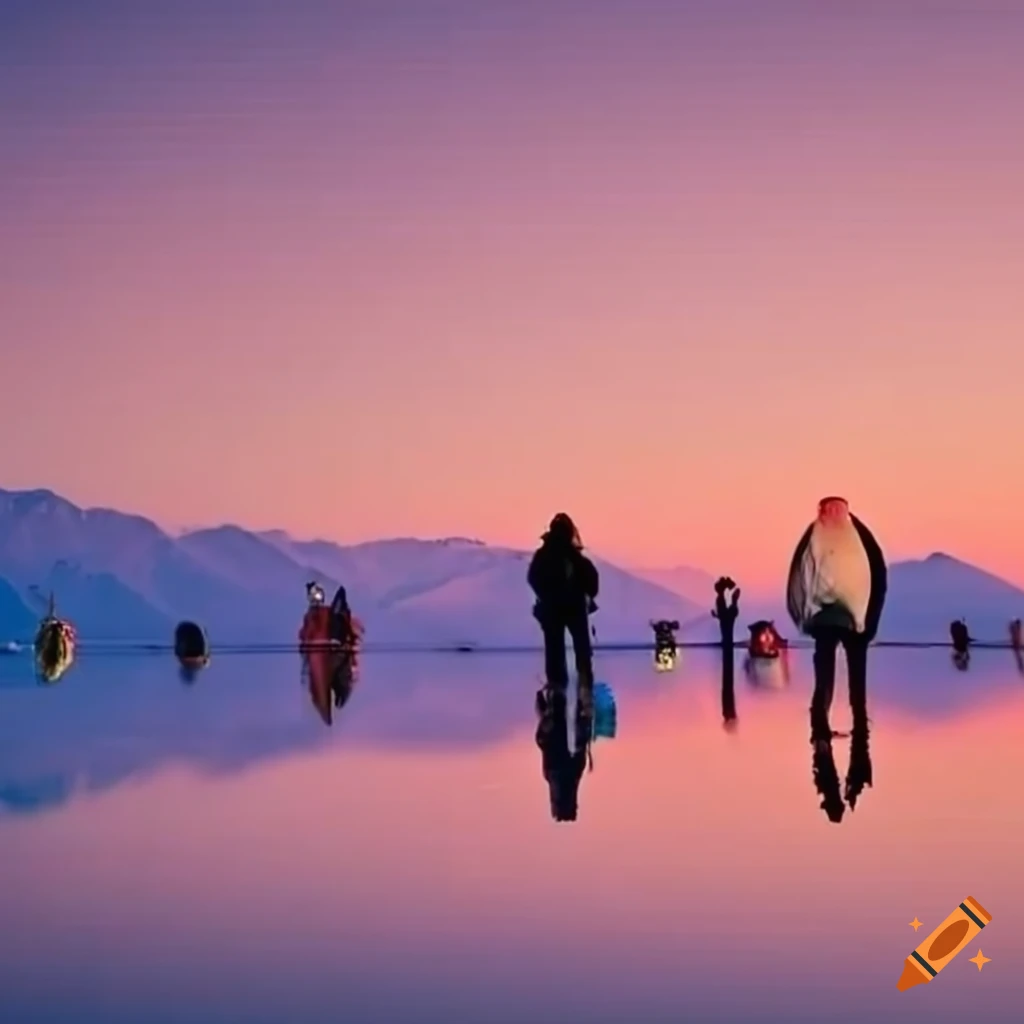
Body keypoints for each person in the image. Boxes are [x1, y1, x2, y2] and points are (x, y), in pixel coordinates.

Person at [786, 496, 886, 730]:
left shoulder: (852, 537)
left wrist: (869, 620)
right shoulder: (824, 536)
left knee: (833, 679)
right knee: (834, 680)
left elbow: (876, 571)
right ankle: (837, 731)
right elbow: (877, 570)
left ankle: (843, 730)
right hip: (842, 620)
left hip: (848, 620)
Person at [527, 513, 599, 687]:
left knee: (555, 651)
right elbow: (592, 581)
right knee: (581, 649)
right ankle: (583, 683)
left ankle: (558, 686)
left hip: (554, 609)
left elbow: (533, 578)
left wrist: (546, 596)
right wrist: (587, 596)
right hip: (573, 608)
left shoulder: (544, 555)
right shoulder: (574, 556)